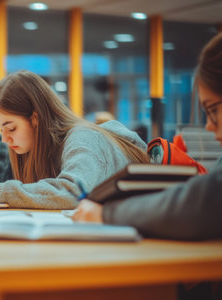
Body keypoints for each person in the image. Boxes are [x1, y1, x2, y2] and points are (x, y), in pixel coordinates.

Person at [72, 32, 222, 241]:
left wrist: (107, 214)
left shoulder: (80, 139)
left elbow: (206, 201)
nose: (208, 126)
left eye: (213, 110)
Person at [0, 70, 149, 209]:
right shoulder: (32, 150)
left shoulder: (83, 137)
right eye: (1, 129)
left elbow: (70, 193)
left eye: (11, 127)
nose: (5, 139)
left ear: (35, 118)